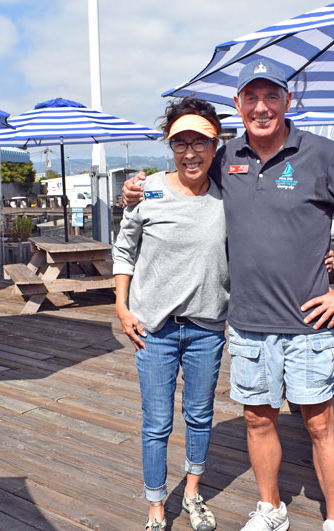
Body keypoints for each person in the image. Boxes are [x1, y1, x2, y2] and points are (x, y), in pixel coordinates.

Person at [123, 59, 334, 531]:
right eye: (251, 97)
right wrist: (137, 189)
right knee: (257, 421)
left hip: (309, 321)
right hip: (247, 321)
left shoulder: (322, 154)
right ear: (237, 105)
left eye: (272, 96)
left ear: (288, 102)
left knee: (319, 424)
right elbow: (182, 177)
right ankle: (271, 508)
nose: (262, 106)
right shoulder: (226, 155)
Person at [113, 97, 227, 531]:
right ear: (170, 146)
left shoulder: (227, 194)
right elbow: (124, 251)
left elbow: (269, 234)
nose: (191, 152)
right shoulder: (150, 190)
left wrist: (319, 256)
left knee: (199, 416)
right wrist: (122, 309)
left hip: (207, 329)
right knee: (156, 423)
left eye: (201, 142)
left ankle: (193, 494)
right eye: (181, 142)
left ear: (216, 146)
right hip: (153, 330)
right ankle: (157, 507)